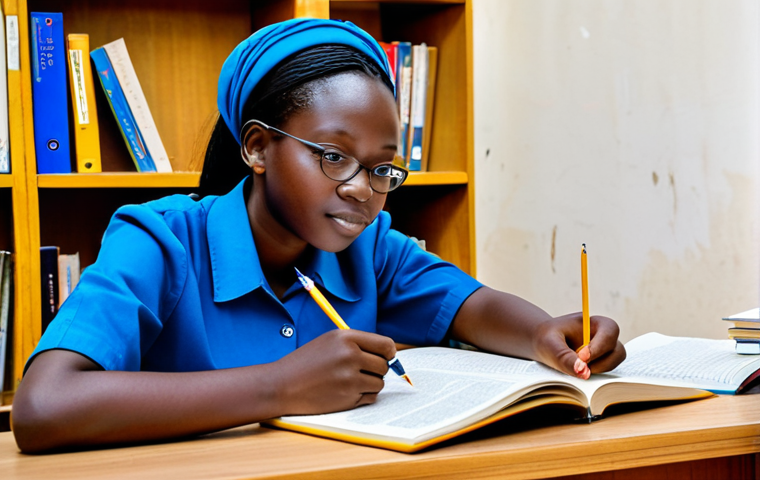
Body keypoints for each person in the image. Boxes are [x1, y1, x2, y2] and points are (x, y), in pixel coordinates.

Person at [11, 18, 626, 453]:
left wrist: (544, 333)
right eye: (334, 156)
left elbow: (474, 306)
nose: (363, 188)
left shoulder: (370, 247)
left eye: (383, 167)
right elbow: (43, 409)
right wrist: (277, 387)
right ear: (257, 146)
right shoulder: (160, 241)